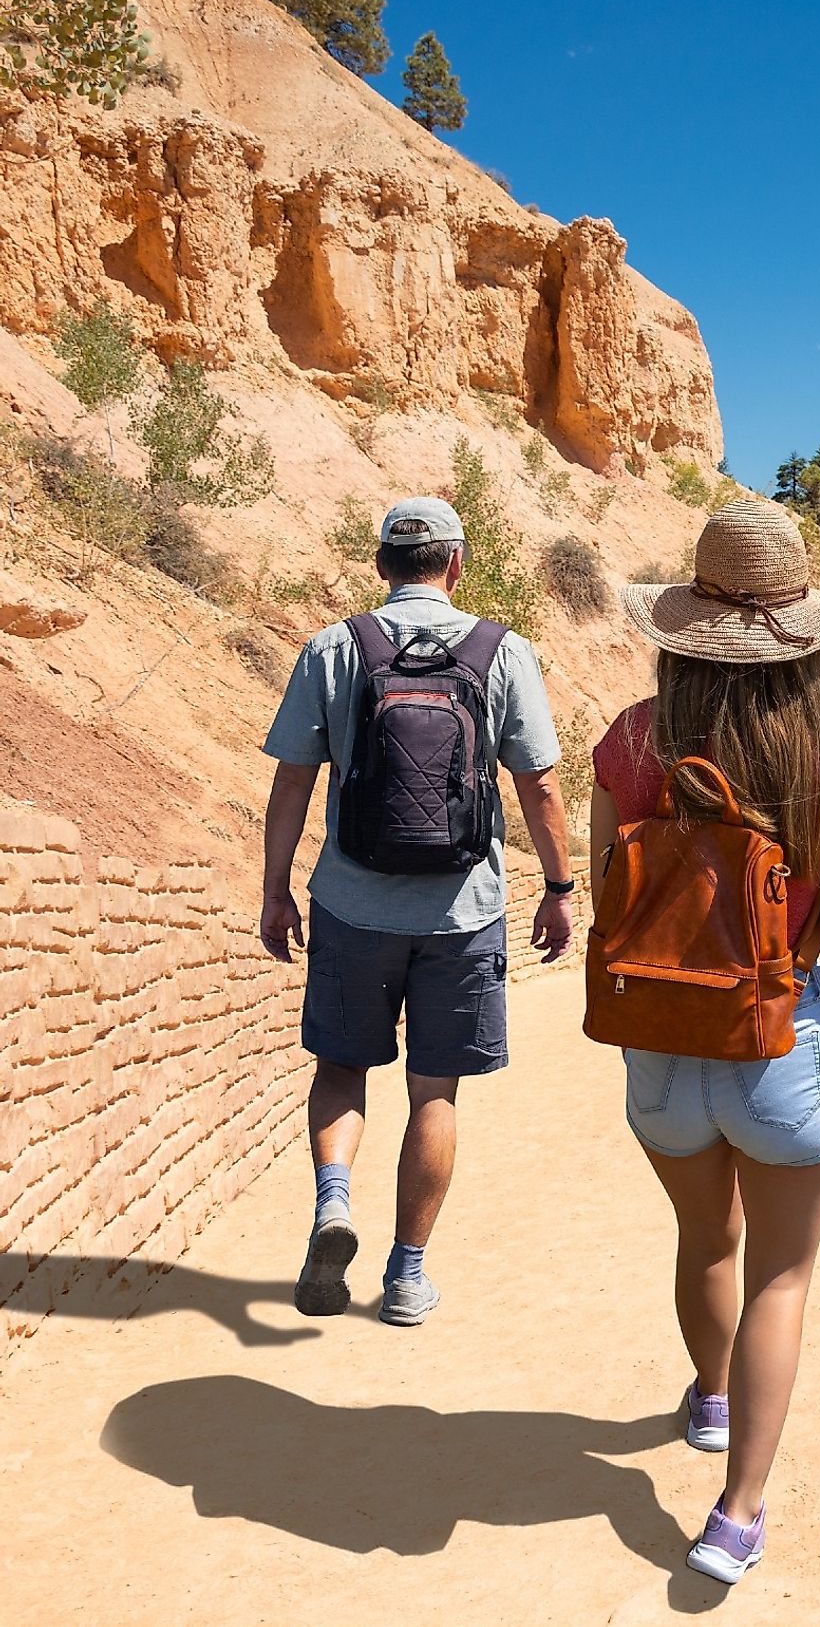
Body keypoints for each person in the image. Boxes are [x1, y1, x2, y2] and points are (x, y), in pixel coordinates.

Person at [590, 497, 820, 1586]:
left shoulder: (630, 741)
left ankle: (707, 1399)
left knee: (704, 1242)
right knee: (783, 1276)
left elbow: (619, 902)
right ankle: (736, 1514)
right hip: (783, 1047)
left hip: (662, 1055)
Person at [259, 497, 574, 1327]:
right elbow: (538, 784)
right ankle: (405, 1275)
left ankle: (334, 1201)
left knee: (341, 1065)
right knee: (434, 1093)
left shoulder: (333, 648)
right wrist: (560, 886)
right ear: (457, 564)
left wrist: (274, 889)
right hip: (462, 913)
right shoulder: (501, 652)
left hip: (352, 905)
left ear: (379, 565)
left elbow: (293, 780)